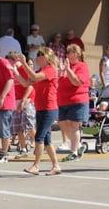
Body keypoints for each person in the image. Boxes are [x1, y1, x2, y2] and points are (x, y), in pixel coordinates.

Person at [14, 47, 60, 176]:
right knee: (46, 140)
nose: (38, 57)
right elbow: (26, 83)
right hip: (41, 108)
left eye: (41, 55)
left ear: (47, 57)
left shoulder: (50, 70)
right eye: (38, 55)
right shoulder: (41, 70)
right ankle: (56, 165)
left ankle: (36, 165)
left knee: (39, 137)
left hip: (49, 109)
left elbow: (33, 76)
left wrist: (23, 63)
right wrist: (16, 73)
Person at [58, 44, 91, 162]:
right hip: (63, 100)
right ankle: (79, 145)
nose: (67, 55)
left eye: (69, 52)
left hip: (77, 100)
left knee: (73, 125)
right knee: (62, 124)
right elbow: (59, 82)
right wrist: (61, 72)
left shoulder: (82, 66)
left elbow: (76, 82)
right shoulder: (65, 67)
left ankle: (74, 152)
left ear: (76, 54)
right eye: (66, 52)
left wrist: (68, 70)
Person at [7, 53, 36, 158]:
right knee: (18, 127)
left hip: (27, 100)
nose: (8, 63)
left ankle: (39, 145)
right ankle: (23, 149)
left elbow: (30, 86)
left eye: (10, 61)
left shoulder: (24, 69)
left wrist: (24, 100)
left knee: (29, 125)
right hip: (15, 101)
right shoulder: (10, 71)